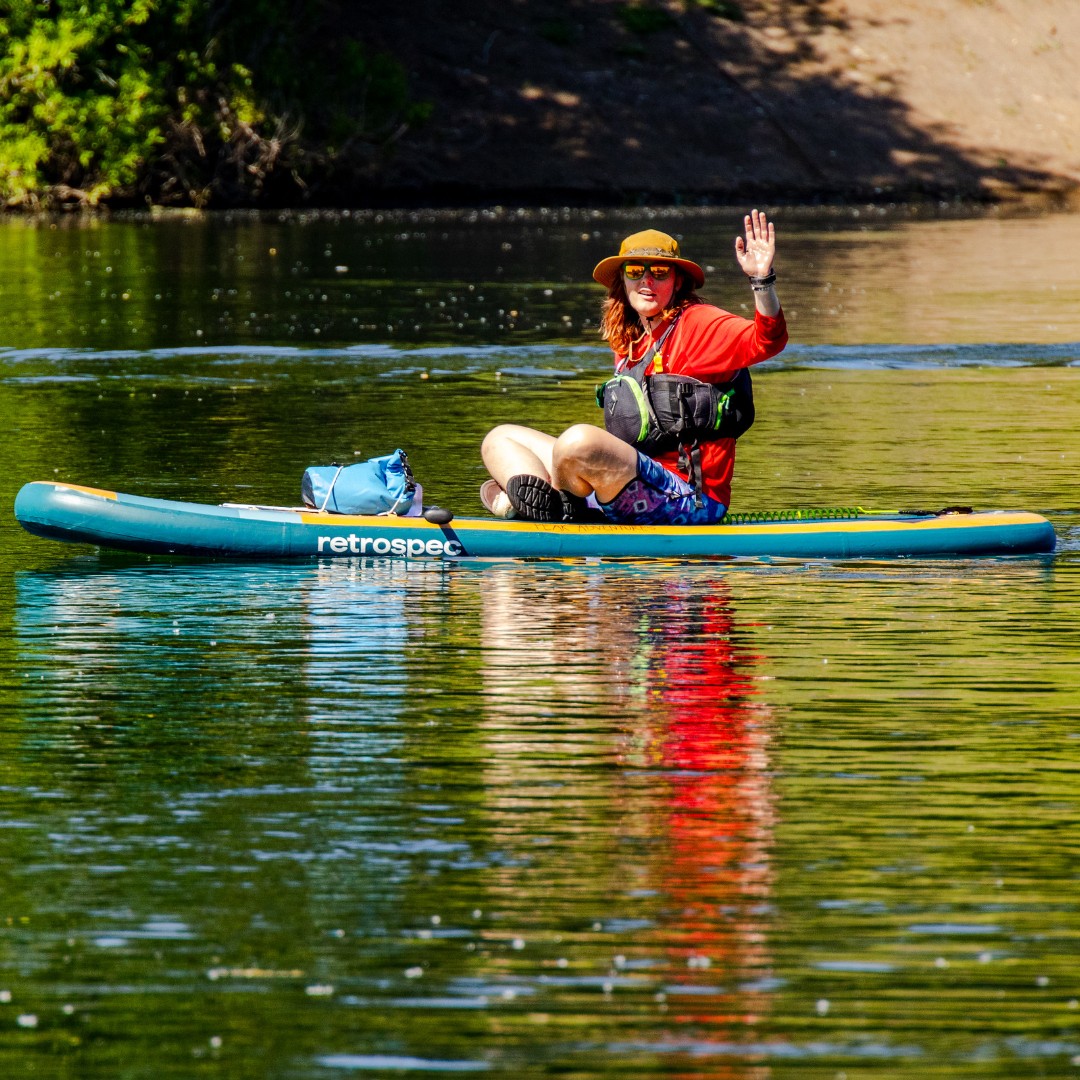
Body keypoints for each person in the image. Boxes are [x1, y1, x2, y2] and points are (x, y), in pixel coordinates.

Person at [480, 211, 788, 524]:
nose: (646, 281)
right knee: (501, 438)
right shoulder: (628, 342)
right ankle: (535, 504)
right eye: (635, 271)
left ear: (677, 281)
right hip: (627, 484)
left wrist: (761, 281)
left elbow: (768, 340)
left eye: (659, 272)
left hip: (688, 500)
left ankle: (549, 508)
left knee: (579, 441)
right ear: (622, 281)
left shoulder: (699, 323)